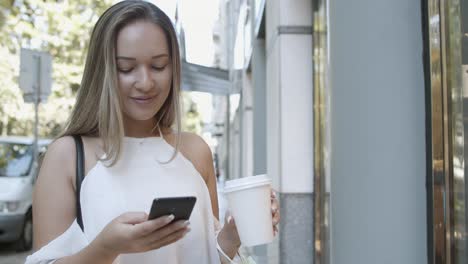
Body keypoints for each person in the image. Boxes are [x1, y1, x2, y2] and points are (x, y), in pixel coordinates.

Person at [25, 1, 280, 264]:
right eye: (126, 68)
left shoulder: (195, 151)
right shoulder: (67, 155)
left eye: (158, 66)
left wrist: (232, 236)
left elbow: (206, 256)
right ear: (102, 71)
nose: (145, 83)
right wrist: (105, 248)